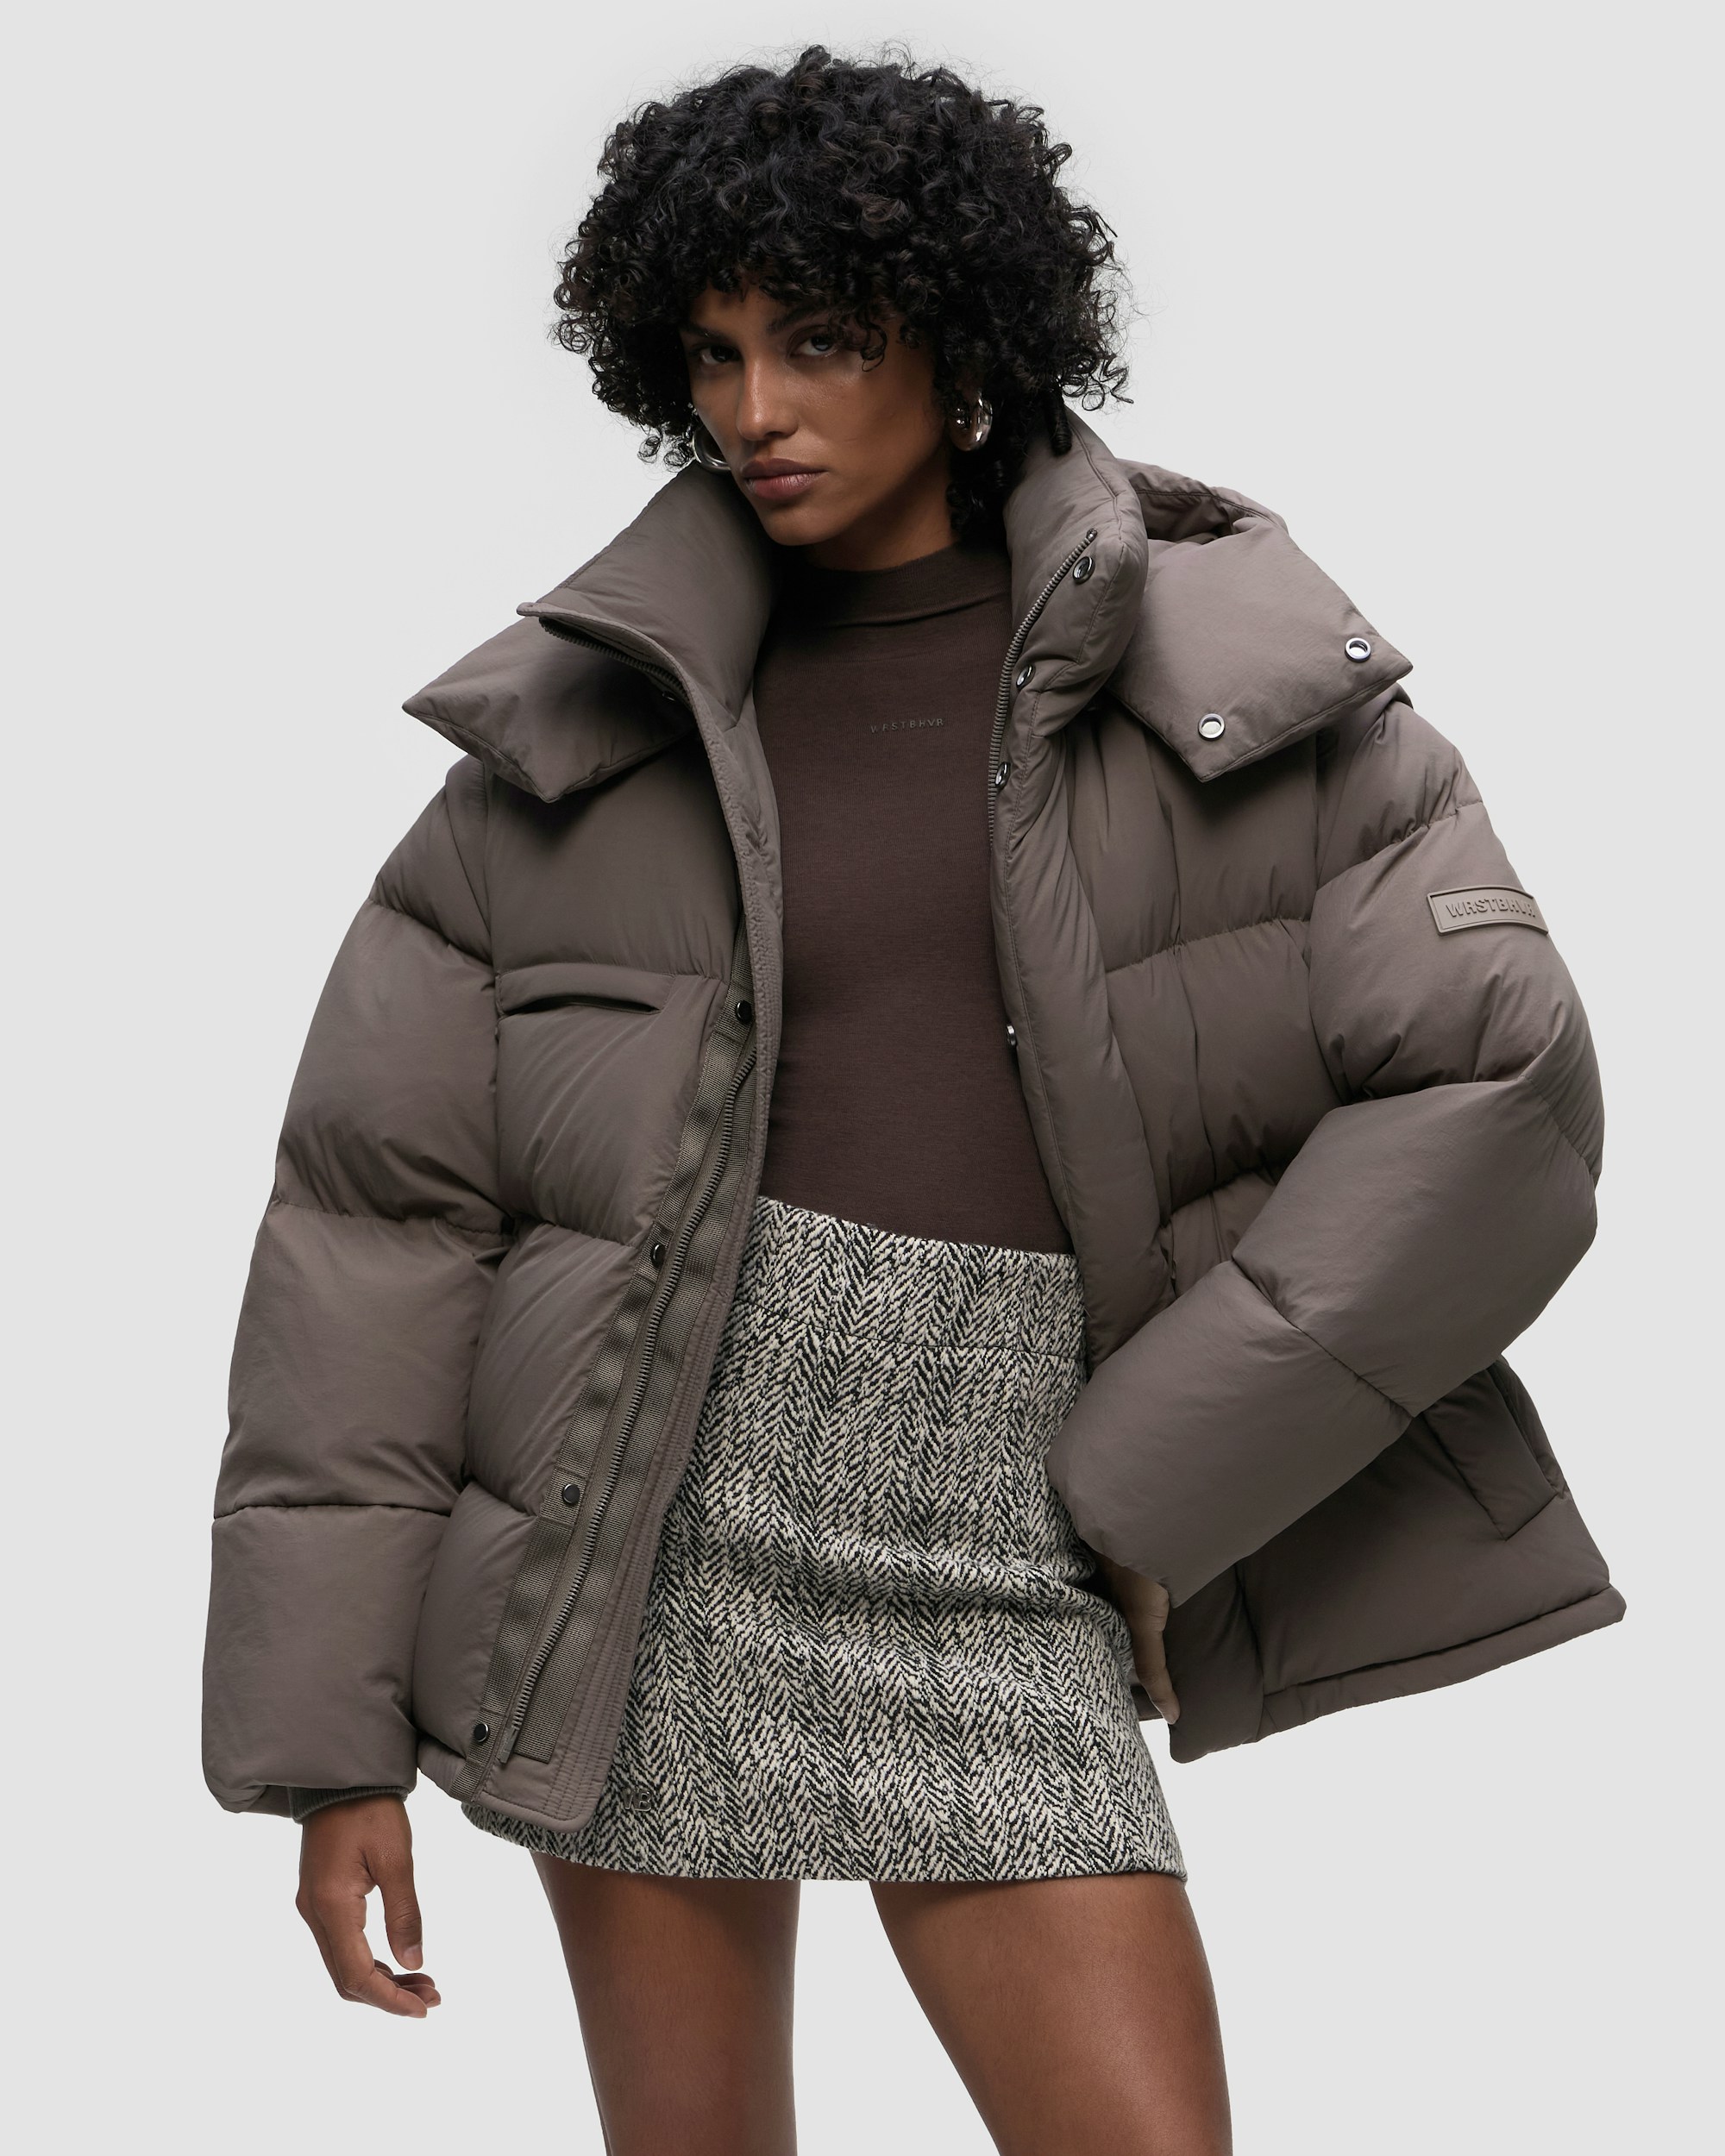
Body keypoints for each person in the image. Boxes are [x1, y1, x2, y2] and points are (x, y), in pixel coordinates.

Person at [201, 44, 1622, 2156]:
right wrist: (326, 1750)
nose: (754, 408)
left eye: (819, 341)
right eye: (711, 354)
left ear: (959, 339)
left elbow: (1498, 1089)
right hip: (644, 1521)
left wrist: (1139, 1470)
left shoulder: (1239, 686)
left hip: (1010, 1524)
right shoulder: (571, 746)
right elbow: (380, 1231)